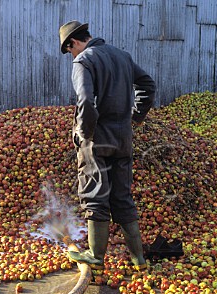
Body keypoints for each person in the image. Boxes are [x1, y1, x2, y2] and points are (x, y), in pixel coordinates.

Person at [58, 21, 156, 271]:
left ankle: (96, 255)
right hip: (123, 138)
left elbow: (86, 102)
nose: (72, 55)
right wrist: (136, 116)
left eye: (69, 50)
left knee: (94, 194)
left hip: (97, 140)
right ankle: (139, 259)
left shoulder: (83, 61)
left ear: (74, 43)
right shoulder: (122, 56)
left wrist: (84, 133)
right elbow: (147, 85)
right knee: (122, 195)